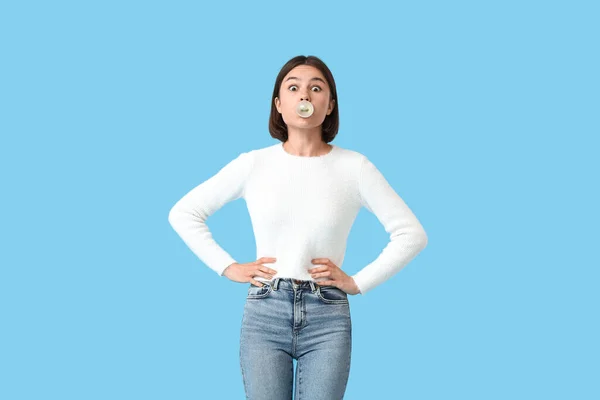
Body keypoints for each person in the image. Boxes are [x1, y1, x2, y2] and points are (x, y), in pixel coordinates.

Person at [168, 55, 428, 399]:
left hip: (328, 315)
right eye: (293, 87)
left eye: (316, 88)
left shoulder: (355, 167)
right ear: (279, 104)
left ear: (330, 104)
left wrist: (358, 282)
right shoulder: (254, 164)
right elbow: (184, 212)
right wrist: (227, 267)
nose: (304, 95)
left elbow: (412, 234)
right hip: (265, 310)